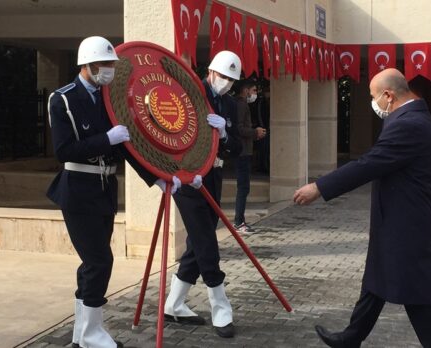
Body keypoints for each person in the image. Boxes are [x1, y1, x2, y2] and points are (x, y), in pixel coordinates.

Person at [293, 68, 431, 348]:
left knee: (418, 299)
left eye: (373, 96)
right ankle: (350, 338)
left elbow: (368, 164)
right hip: (395, 220)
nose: (373, 102)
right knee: (376, 282)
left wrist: (319, 187)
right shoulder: (409, 116)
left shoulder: (410, 124)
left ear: (388, 95)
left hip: (408, 226)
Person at [46, 36, 151, 348]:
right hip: (78, 191)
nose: (109, 70)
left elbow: (126, 145)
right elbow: (64, 150)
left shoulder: (109, 100)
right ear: (87, 65)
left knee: (91, 263)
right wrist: (106, 139)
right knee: (100, 261)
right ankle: (93, 336)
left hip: (105, 190)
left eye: (111, 65)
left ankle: (82, 335)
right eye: (104, 65)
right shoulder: (62, 99)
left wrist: (155, 178)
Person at [160, 50, 243, 339]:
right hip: (188, 178)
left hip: (214, 176)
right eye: (223, 77)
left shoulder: (229, 104)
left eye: (231, 80)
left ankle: (173, 304)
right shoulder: (189, 94)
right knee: (207, 241)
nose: (226, 83)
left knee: (199, 239)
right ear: (210, 72)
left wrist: (224, 135)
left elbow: (237, 149)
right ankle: (221, 308)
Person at [232, 79, 266, 234]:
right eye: (253, 90)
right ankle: (239, 221)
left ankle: (240, 220)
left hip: (245, 150)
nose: (255, 94)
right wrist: (255, 132)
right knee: (243, 187)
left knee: (244, 187)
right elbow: (239, 129)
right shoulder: (241, 105)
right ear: (245, 90)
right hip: (242, 151)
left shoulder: (241, 104)